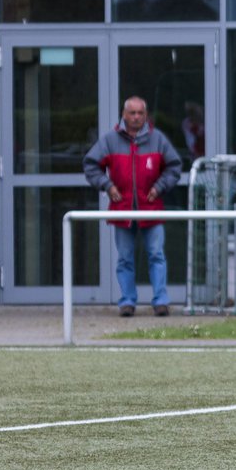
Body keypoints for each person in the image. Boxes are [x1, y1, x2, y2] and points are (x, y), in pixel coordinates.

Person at [83, 96, 183, 317]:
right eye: (132, 113)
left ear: (145, 115)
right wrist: (107, 186)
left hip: (151, 208)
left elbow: (174, 167)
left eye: (140, 113)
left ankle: (161, 301)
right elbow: (91, 165)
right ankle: (127, 301)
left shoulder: (158, 139)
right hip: (122, 209)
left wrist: (159, 187)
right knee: (125, 258)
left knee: (156, 255)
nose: (136, 117)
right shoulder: (109, 140)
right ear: (124, 114)